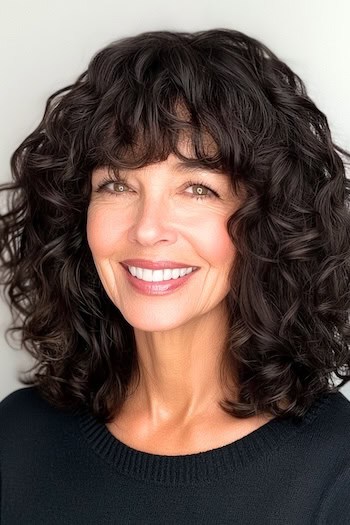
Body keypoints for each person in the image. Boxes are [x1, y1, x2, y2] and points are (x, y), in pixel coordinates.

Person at [0, 28, 349, 524]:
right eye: (118, 184)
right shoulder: (17, 439)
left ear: (268, 220)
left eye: (197, 189)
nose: (147, 229)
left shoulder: (336, 475)